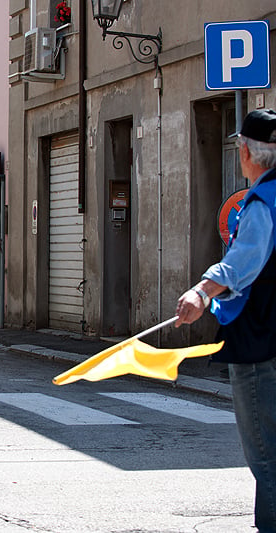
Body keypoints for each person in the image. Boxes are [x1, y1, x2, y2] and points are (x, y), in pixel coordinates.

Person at [175, 109, 276, 532]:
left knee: (267, 457)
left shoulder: (262, 202)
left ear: (246, 153)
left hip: (261, 345)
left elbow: (241, 264)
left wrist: (201, 291)